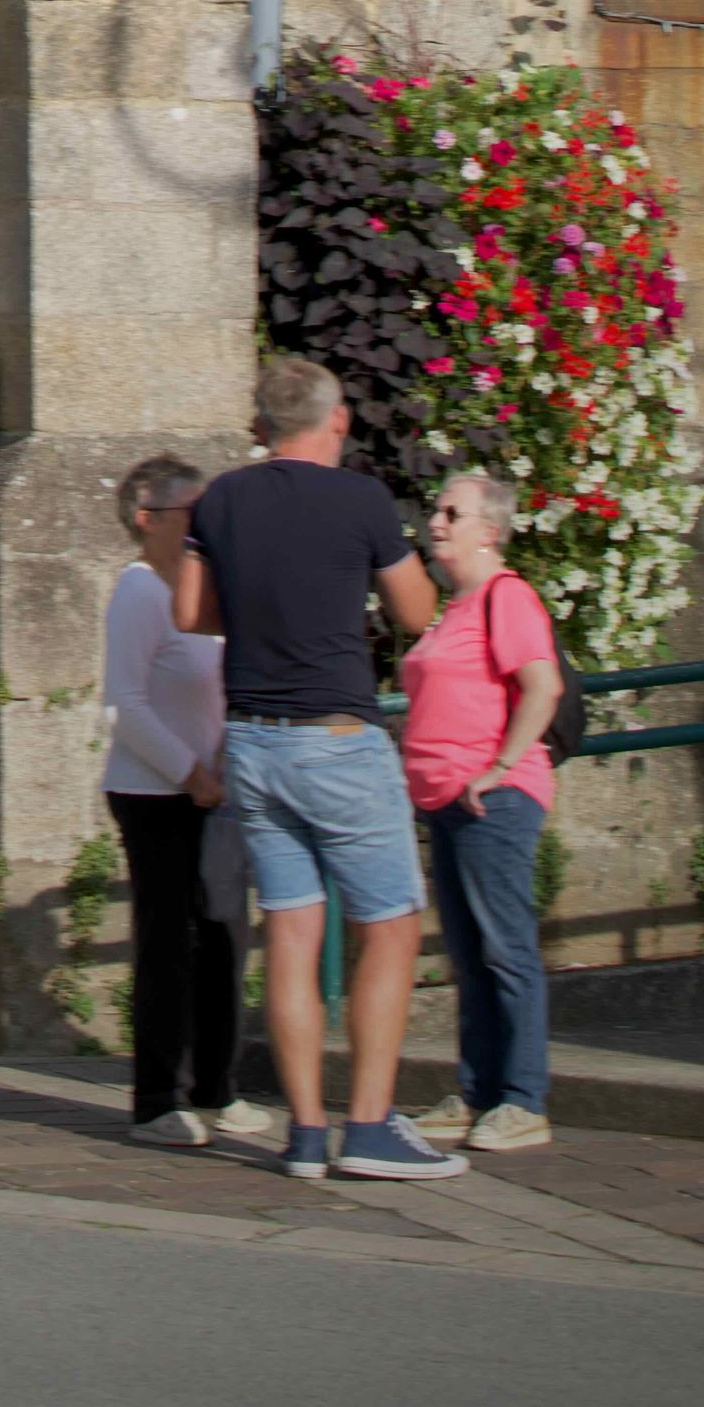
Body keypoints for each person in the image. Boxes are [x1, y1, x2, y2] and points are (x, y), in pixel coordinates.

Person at [171, 357, 462, 1183]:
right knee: (390, 925)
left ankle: (303, 1133)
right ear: (336, 420)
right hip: (337, 737)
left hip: (253, 740)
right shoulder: (361, 500)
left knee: (291, 934)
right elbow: (416, 611)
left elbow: (189, 612)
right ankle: (366, 1126)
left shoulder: (221, 499)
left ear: (263, 425)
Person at [101, 455, 272, 1149]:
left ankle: (216, 1086)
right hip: (154, 794)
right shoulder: (139, 591)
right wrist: (190, 773)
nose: (207, 525)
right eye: (192, 513)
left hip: (216, 792)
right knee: (168, 941)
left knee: (224, 936)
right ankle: (155, 1100)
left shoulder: (205, 589)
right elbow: (124, 703)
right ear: (149, 520)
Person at [399, 469, 564, 1153]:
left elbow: (542, 687)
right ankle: (478, 1092)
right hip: (446, 800)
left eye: (452, 513)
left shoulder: (507, 596)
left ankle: (523, 1099)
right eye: (437, 511)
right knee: (470, 954)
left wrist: (497, 768)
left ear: (489, 531)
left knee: (505, 947)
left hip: (492, 800)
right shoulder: (455, 606)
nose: (435, 523)